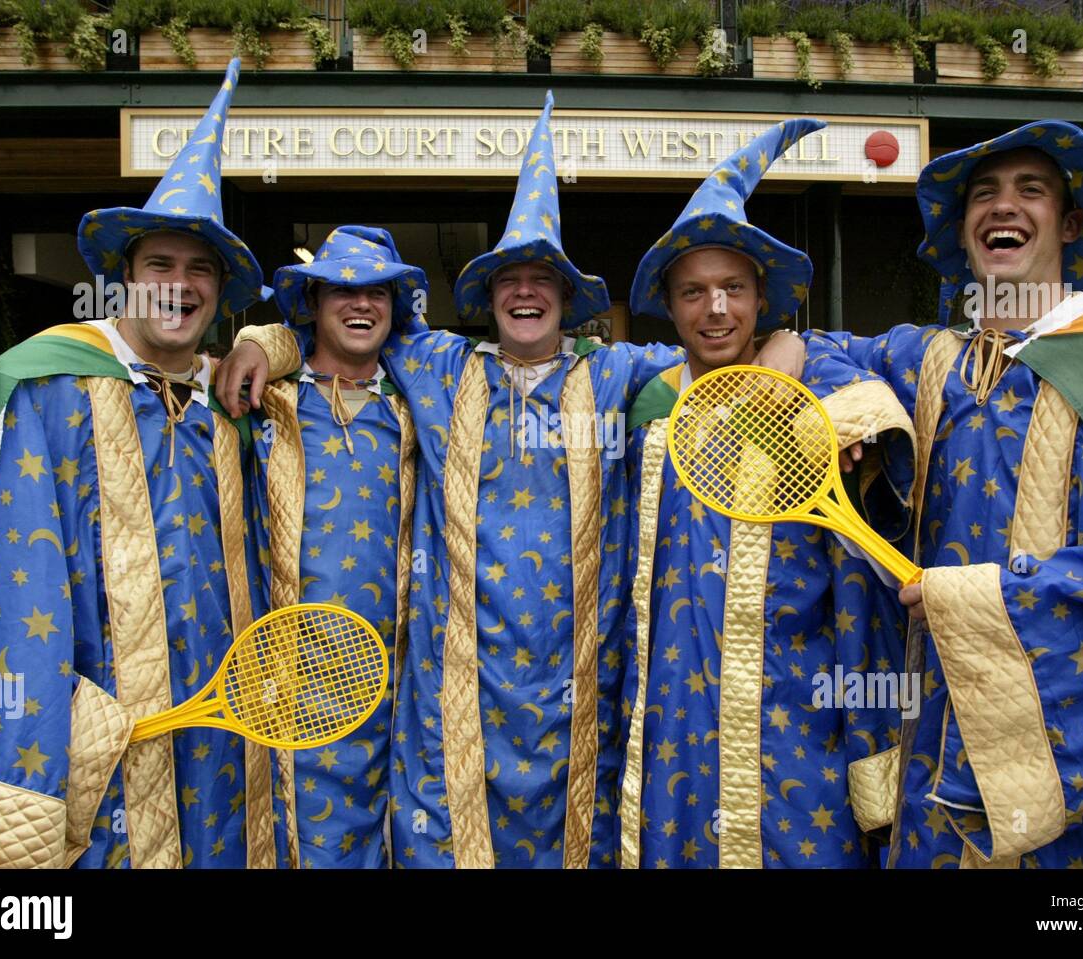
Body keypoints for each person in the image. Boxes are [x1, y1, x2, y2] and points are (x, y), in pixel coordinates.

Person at [216, 91, 805, 868]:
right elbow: (338, 329)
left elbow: (721, 350)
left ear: (567, 299)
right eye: (509, 279)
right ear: (488, 298)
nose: (525, 291)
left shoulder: (624, 373)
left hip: (573, 697)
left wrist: (788, 351)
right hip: (452, 701)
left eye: (543, 279)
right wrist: (262, 339)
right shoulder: (436, 366)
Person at [802, 120, 1083, 868]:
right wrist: (855, 417)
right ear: (962, 233)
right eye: (983, 195)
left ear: (1073, 222)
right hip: (943, 749)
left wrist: (992, 598)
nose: (1005, 206)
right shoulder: (923, 360)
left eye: (1032, 189)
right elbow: (813, 350)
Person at [0, 60, 277, 868]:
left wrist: (269, 343)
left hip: (219, 752)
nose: (178, 287)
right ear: (123, 277)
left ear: (220, 295)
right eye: (160, 266)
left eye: (200, 272)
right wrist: (22, 767)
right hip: (95, 752)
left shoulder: (227, 402)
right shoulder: (45, 387)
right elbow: (9, 590)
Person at [618, 118, 912, 868]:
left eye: (732, 289)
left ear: (760, 299)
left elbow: (873, 415)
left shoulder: (819, 375)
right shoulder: (651, 403)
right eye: (694, 292)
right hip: (678, 721)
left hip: (794, 712)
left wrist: (802, 367)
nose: (715, 309)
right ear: (671, 306)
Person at [248, 226, 423, 867]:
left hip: (396, 674)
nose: (361, 304)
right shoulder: (261, 400)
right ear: (313, 306)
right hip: (285, 675)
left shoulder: (421, 402)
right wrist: (262, 342)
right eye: (343, 291)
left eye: (377, 291)